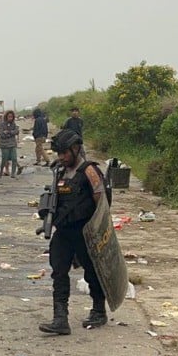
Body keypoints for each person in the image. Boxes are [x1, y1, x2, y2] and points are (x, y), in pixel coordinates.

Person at [38, 129, 108, 335]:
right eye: (59, 154)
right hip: (64, 230)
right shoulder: (59, 171)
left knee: (91, 271)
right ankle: (60, 319)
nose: (61, 157)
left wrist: (98, 231)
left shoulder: (89, 171)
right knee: (59, 271)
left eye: (64, 153)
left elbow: (102, 203)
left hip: (85, 231)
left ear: (76, 149)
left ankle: (98, 309)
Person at [0, 110, 21, 178]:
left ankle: (13, 173)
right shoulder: (2, 124)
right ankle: (1, 171)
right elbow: (1, 133)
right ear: (6, 117)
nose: (10, 118)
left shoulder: (14, 124)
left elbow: (16, 131)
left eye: (11, 117)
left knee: (14, 158)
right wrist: (9, 133)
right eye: (9, 116)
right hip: (4, 145)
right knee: (4, 159)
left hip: (12, 144)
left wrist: (8, 132)